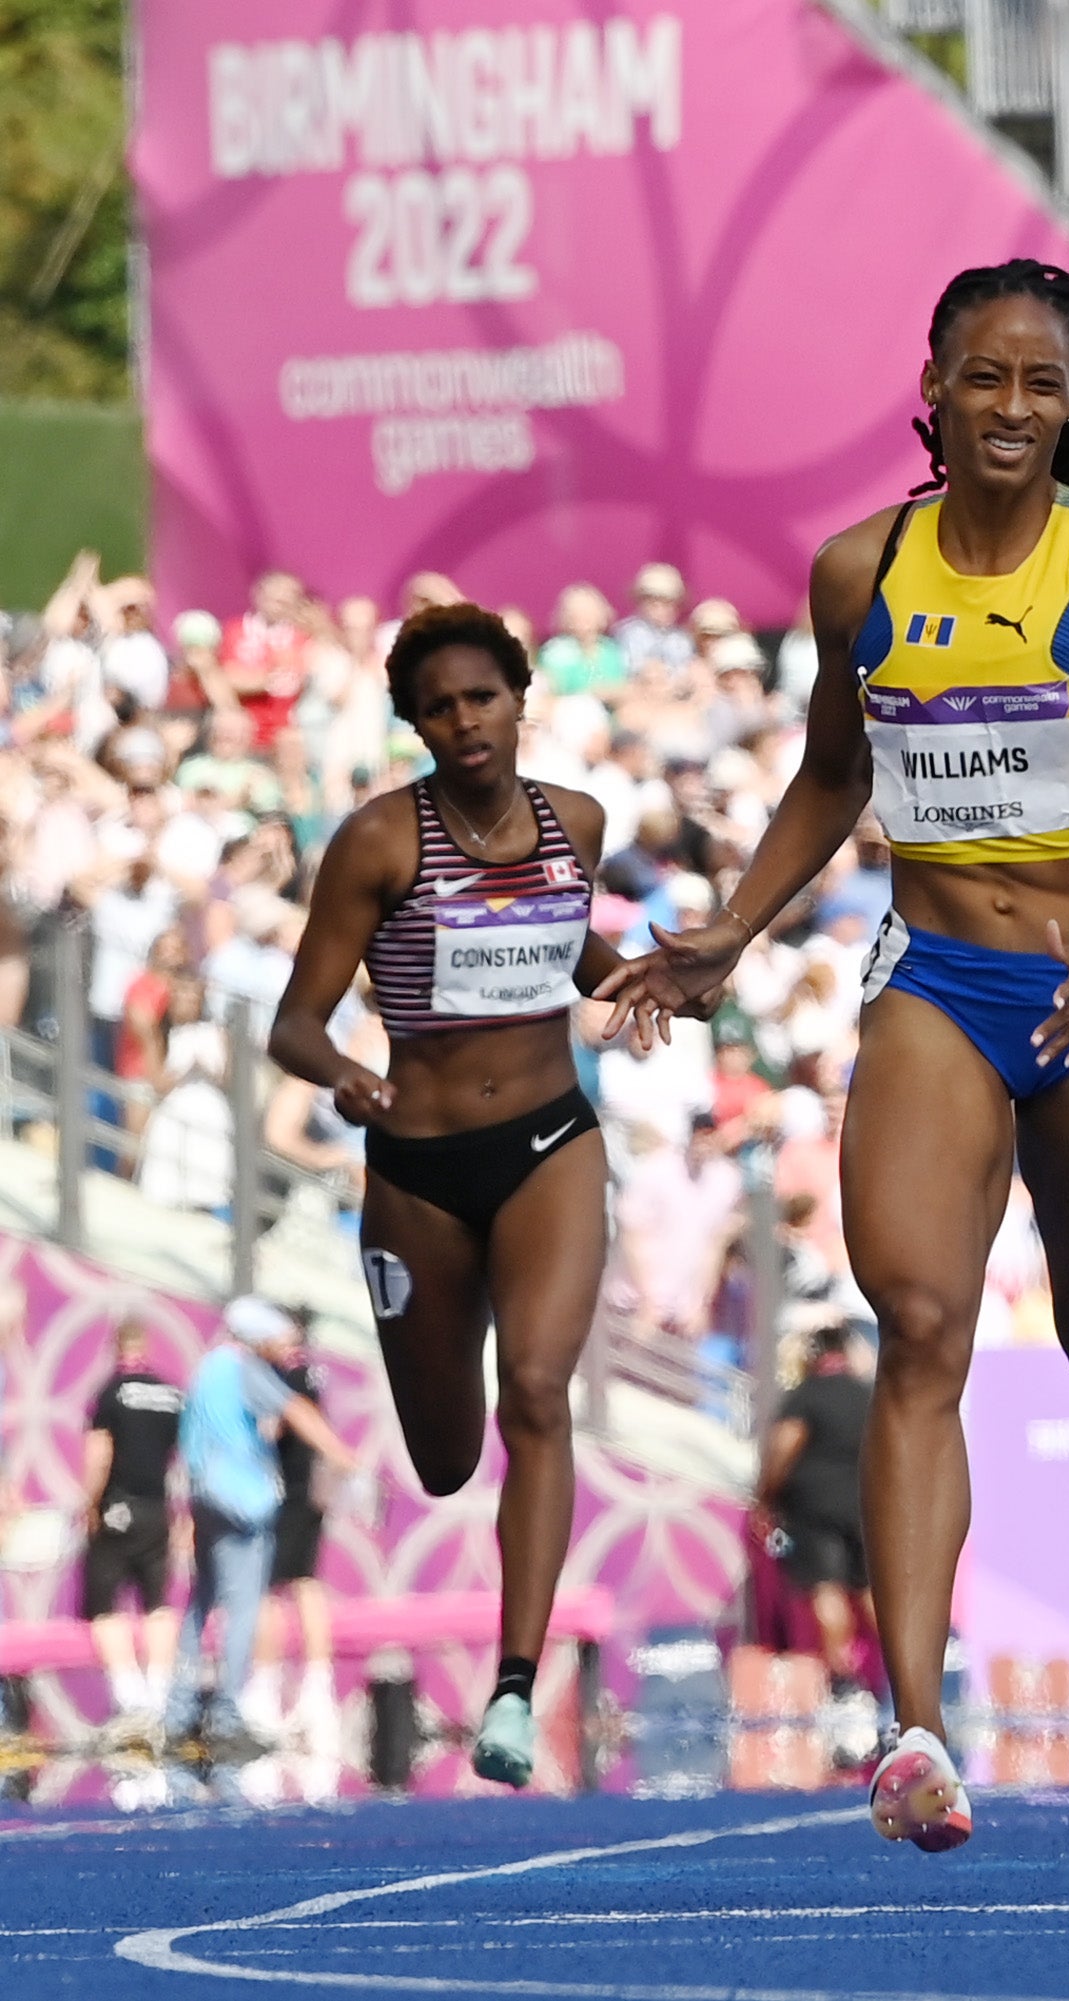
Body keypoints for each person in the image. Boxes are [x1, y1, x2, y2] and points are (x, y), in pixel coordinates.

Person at [597, 261, 1069, 1853]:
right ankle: (913, 1722)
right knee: (918, 1319)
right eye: (987, 378)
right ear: (934, 388)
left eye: (1044, 385)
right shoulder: (859, 573)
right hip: (937, 987)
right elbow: (832, 779)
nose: (1014, 410)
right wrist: (731, 931)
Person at [267, 600, 644, 1788]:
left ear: (520, 700)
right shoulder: (380, 842)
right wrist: (345, 1076)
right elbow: (292, 1023)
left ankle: (515, 1691)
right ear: (413, 724)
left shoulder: (573, 823)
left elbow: (574, 953)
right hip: (418, 1172)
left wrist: (656, 977)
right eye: (438, 705)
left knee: (538, 1391)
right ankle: (447, 1347)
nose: (464, 719)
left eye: (482, 695)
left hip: (549, 1142)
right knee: (442, 1456)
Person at [162, 1299, 365, 1758]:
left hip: (204, 1496)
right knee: (245, 1606)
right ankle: (228, 1714)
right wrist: (344, 1458)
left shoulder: (206, 1370)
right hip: (243, 1501)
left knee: (201, 1602)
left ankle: (178, 1711)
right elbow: (298, 1412)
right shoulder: (245, 1369)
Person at [757, 1324, 877, 1702]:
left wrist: (765, 1497)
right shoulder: (867, 1395)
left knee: (828, 1588)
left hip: (815, 1505)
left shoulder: (804, 1396)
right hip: (865, 1503)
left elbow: (783, 1447)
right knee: (870, 1590)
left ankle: (843, 1679)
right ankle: (902, 1673)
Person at [78, 1318, 182, 1740]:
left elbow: (99, 1454)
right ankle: (158, 1698)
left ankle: (129, 1698)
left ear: (117, 1347)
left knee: (104, 1608)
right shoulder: (172, 1395)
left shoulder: (112, 1393)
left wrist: (89, 1504)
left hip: (118, 1506)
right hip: (158, 1507)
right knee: (157, 1604)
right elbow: (182, 1457)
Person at [254, 1305, 339, 1746]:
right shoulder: (315, 1372)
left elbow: (274, 1425)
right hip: (310, 1489)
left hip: (288, 1491)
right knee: (305, 1582)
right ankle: (316, 1685)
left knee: (270, 1589)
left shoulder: (286, 1374)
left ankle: (267, 1689)